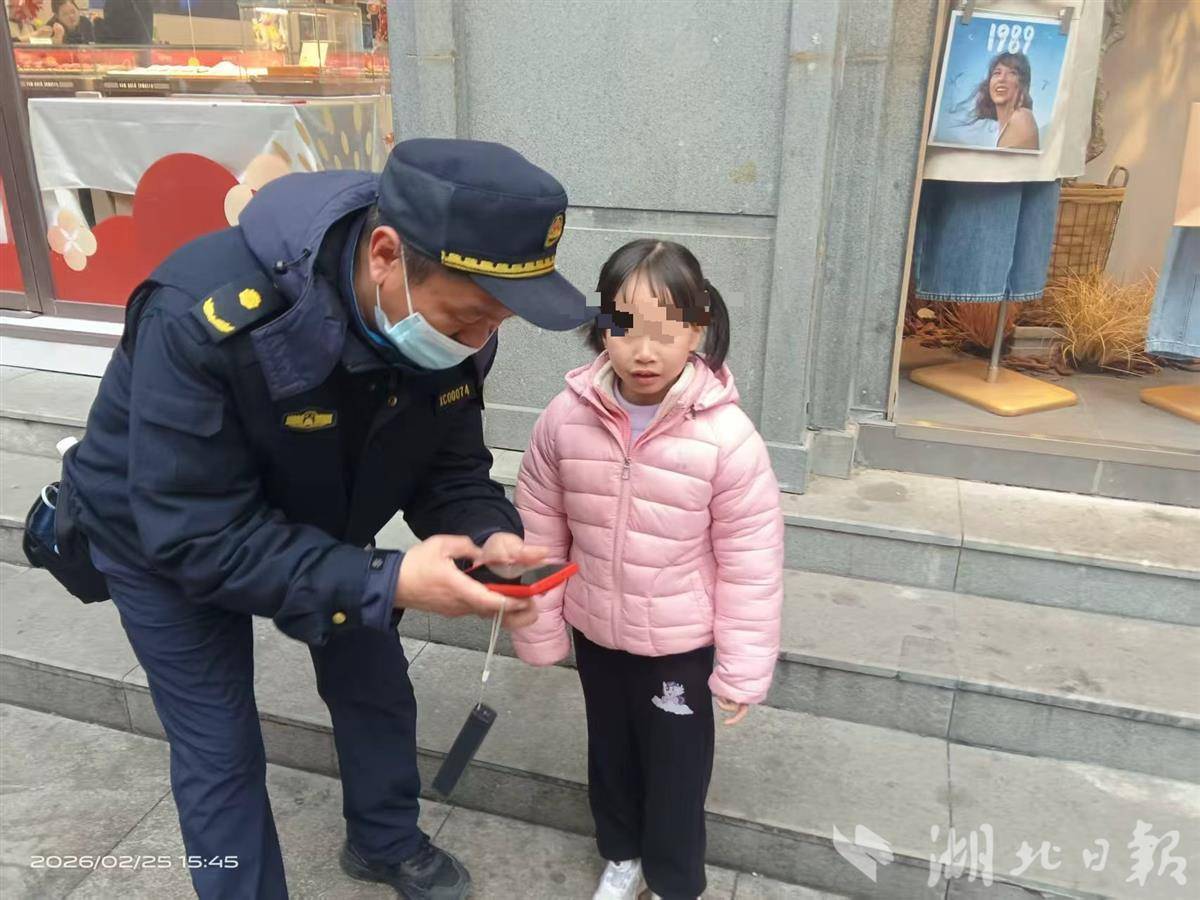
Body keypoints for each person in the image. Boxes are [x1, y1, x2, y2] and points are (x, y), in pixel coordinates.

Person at [62, 139, 594, 899]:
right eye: (470, 316)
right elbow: (197, 535)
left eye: (497, 321)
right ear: (385, 255)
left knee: (375, 686)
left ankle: (385, 841)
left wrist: (489, 534)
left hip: (322, 514)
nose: (479, 340)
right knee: (219, 748)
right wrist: (387, 578)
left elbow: (449, 468)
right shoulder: (200, 310)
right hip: (161, 536)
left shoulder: (452, 331)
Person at [510, 239, 785, 900]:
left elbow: (752, 561)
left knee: (676, 770)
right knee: (609, 752)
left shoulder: (727, 438)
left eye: (666, 332)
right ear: (600, 326)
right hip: (597, 630)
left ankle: (673, 880)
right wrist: (540, 623)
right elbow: (541, 525)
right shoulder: (565, 419)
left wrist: (742, 667)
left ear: (698, 329)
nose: (643, 350)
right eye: (625, 327)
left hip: (678, 644)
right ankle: (621, 854)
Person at [966, 51, 1039, 151]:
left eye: (1012, 73)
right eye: (997, 73)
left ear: (1022, 84)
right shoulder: (1007, 125)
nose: (1001, 78)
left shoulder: (1022, 117)